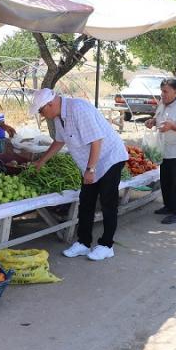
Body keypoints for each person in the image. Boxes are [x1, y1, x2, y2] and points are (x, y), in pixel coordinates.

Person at [30, 88, 128, 261]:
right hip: (91, 162)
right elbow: (59, 141)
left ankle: (107, 245)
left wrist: (91, 169)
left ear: (50, 104)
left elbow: (97, 141)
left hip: (109, 158)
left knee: (107, 202)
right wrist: (42, 160)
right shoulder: (59, 117)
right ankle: (83, 242)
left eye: (41, 110)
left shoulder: (78, 109)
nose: (42, 114)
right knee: (86, 201)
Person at [145, 79, 176, 224]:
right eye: (161, 91)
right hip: (165, 149)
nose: (163, 94)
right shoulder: (162, 103)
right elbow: (158, 118)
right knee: (166, 180)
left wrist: (173, 127)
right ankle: (168, 206)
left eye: (165, 91)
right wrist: (152, 122)